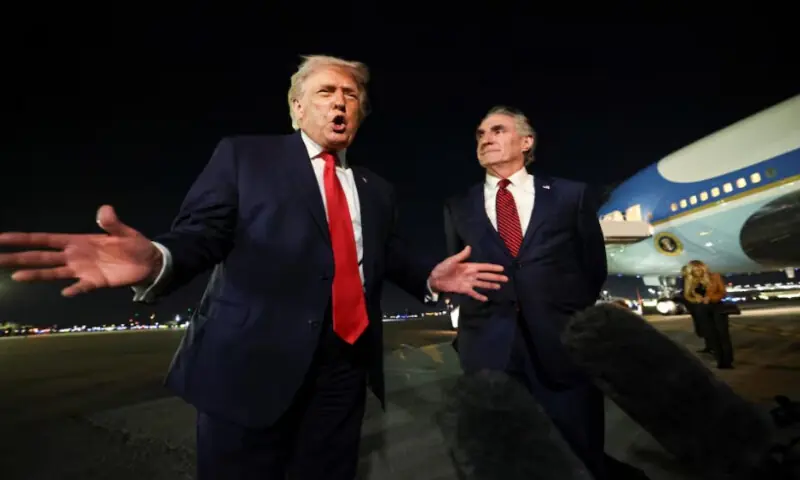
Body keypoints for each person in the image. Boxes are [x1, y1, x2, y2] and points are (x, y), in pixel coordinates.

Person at [0, 55, 509, 480]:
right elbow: (202, 233)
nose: (339, 101)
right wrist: (160, 257)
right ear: (297, 107)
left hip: (344, 370)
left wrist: (428, 276)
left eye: (351, 95)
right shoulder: (246, 158)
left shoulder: (378, 189)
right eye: (326, 91)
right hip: (251, 363)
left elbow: (387, 254)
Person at [442, 106, 609, 478]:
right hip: (489, 349)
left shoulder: (571, 195)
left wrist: (567, 313)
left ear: (526, 141)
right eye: (480, 134)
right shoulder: (457, 206)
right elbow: (459, 270)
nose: (486, 139)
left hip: (561, 343)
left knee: (578, 446)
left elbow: (592, 266)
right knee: (505, 453)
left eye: (497, 130)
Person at [683, 260, 733, 369]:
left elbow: (722, 292)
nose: (698, 271)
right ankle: (720, 361)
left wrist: (710, 298)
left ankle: (728, 361)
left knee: (723, 335)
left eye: (699, 268)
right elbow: (687, 295)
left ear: (704, 268)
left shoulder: (715, 276)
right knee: (712, 335)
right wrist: (696, 299)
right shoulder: (689, 280)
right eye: (695, 269)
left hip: (717, 308)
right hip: (702, 310)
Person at [681, 263, 714, 354]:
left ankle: (712, 347)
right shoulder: (688, 282)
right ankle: (709, 346)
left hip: (703, 307)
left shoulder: (702, 281)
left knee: (707, 327)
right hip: (696, 308)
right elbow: (686, 295)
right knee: (703, 328)